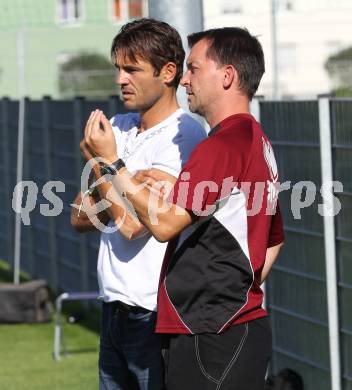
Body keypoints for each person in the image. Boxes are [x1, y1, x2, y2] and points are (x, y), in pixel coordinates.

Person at [84, 27, 285, 390]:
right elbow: (274, 240)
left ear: (227, 76)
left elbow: (161, 225)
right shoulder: (254, 140)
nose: (185, 80)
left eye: (193, 69)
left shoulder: (221, 145)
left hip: (209, 331)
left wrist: (111, 163)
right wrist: (241, 290)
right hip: (226, 325)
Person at [70, 18, 206, 390]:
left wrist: (105, 163)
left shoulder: (185, 136)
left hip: (153, 314)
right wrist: (113, 170)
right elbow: (80, 217)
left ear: (167, 72)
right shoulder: (118, 126)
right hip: (112, 307)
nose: (120, 79)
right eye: (118, 69)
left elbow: (133, 228)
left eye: (132, 69)